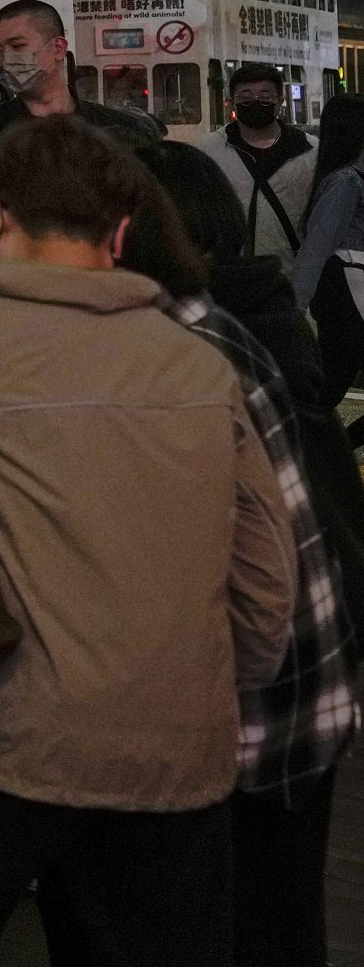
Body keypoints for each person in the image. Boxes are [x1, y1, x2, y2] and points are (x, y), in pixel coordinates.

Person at [0, 115, 294, 967]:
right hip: (174, 747)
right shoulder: (200, 362)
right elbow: (264, 579)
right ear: (120, 232)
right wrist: (222, 685)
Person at [126, 140, 364, 967]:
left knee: (207, 918)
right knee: (281, 912)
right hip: (313, 678)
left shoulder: (183, 348)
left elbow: (251, 572)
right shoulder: (261, 313)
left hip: (250, 691)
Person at [0, 0, 160, 272]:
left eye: (18, 46)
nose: (5, 60)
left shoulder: (118, 133)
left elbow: (151, 228)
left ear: (58, 48)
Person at [198, 62, 319, 270]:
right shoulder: (208, 149)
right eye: (245, 97)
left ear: (280, 100)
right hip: (229, 273)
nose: (255, 102)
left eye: (265, 96)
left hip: (291, 271)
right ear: (232, 101)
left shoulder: (310, 150)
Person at [290, 93, 364, 413]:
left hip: (347, 295)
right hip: (348, 295)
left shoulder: (349, 179)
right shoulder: (348, 182)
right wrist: (294, 307)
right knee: (328, 385)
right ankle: (314, 447)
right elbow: (317, 249)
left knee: (330, 382)